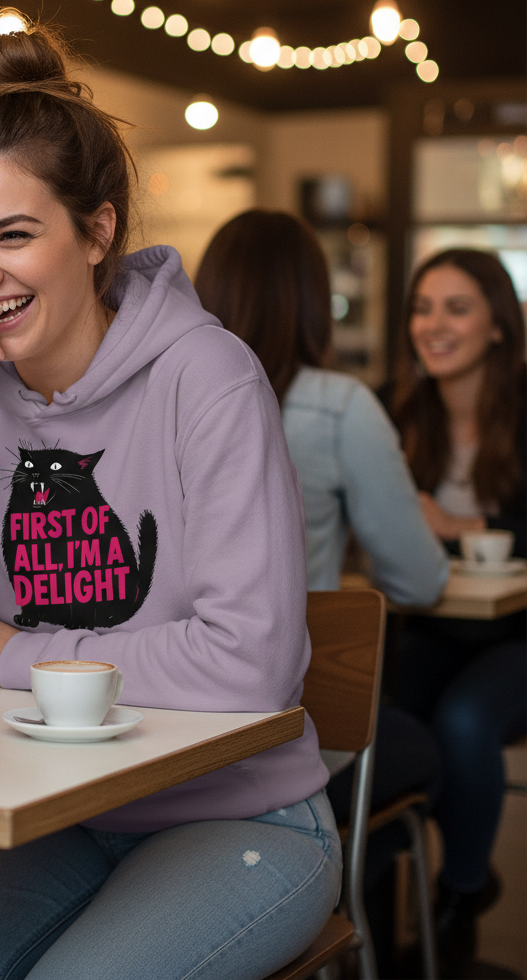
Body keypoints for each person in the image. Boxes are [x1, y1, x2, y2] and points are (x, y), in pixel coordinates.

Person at [0, 17, 341, 980]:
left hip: (238, 815)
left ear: (97, 230)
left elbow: (250, 664)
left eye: (14, 235)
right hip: (46, 810)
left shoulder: (209, 378)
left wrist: (10, 655)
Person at [193, 209, 449, 976]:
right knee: (426, 746)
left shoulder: (171, 403)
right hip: (294, 738)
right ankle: (392, 925)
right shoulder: (340, 407)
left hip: (175, 734)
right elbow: (420, 578)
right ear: (311, 301)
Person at [385, 248, 526, 978]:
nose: (432, 325)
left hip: (518, 636)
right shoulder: (393, 412)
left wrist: (457, 527)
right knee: (386, 726)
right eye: (422, 307)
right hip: (435, 626)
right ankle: (377, 910)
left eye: (456, 308)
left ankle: (459, 894)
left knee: (466, 722)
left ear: (499, 326)